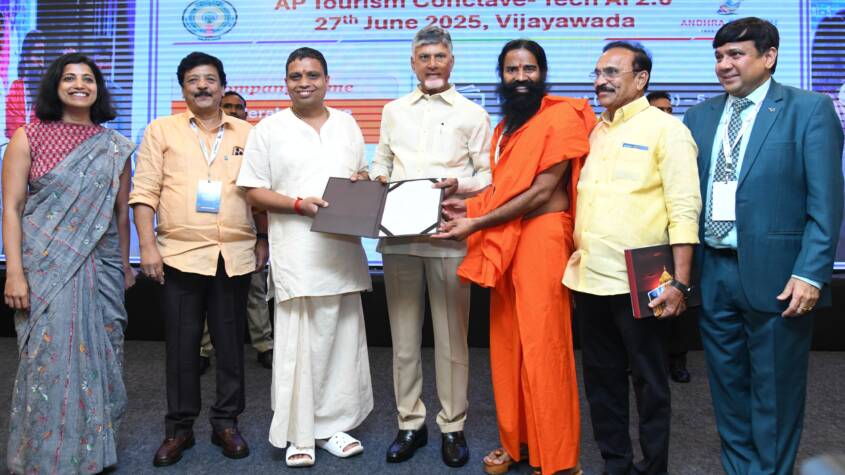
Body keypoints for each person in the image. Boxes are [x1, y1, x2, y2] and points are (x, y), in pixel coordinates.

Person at [683, 17, 844, 475]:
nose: (724, 65)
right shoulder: (699, 117)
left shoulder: (808, 109)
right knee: (726, 388)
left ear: (769, 56)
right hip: (714, 272)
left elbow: (826, 204)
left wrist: (811, 272)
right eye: (718, 56)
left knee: (776, 391)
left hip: (781, 276)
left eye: (736, 54)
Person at [436, 39, 592, 475]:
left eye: (529, 69)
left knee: (544, 349)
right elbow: (503, 190)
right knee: (508, 348)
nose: (520, 77)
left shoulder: (561, 117)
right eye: (511, 70)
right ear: (501, 75)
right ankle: (516, 442)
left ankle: (557, 458)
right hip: (506, 241)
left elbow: (541, 192)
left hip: (541, 240)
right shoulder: (504, 128)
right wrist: (466, 206)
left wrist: (476, 223)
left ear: (543, 72)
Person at [563, 41, 701, 475]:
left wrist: (680, 284)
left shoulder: (667, 130)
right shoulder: (593, 132)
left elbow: (684, 210)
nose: (600, 81)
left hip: (646, 276)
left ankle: (653, 466)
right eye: (597, 73)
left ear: (641, 79)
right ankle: (616, 464)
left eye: (611, 72)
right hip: (590, 276)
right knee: (601, 381)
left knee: (650, 381)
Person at [236, 47, 373, 468]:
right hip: (296, 251)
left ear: (327, 80)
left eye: (312, 74)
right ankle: (299, 432)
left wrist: (362, 181)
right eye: (295, 76)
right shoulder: (268, 129)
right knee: (298, 345)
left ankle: (335, 426)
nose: (304, 82)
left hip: (342, 249)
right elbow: (252, 191)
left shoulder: (347, 124)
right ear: (286, 83)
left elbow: (362, 174)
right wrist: (298, 204)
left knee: (341, 342)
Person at [131, 52, 267, 466]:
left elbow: (259, 193)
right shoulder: (161, 131)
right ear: (183, 88)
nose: (203, 86)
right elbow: (144, 192)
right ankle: (179, 429)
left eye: (210, 79)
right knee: (182, 348)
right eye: (193, 80)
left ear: (223, 86)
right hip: (179, 255)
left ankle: (226, 422)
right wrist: (147, 247)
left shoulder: (249, 133)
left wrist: (263, 237)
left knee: (230, 347)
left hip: (233, 254)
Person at [2, 52, 134, 474]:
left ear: (98, 89)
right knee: (48, 358)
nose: (80, 85)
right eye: (70, 78)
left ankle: (94, 453)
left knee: (102, 356)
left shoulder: (115, 147)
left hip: (101, 269)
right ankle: (44, 458)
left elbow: (120, 213)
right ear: (55, 87)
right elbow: (12, 207)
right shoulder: (28, 137)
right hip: (45, 268)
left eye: (88, 78)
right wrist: (14, 272)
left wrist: (125, 265)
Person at [367, 25, 491, 468]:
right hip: (399, 235)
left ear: (452, 61)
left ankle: (452, 426)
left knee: (452, 339)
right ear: (413, 63)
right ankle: (410, 423)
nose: (432, 64)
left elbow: (488, 175)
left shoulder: (473, 113)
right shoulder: (393, 110)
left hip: (447, 234)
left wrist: (461, 184)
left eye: (440, 56)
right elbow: (381, 160)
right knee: (403, 339)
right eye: (425, 57)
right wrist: (378, 178)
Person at [199, 90, 274, 373]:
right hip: (206, 230)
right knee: (206, 293)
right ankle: (204, 349)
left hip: (245, 230)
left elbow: (261, 196)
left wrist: (262, 237)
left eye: (237, 107)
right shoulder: (201, 139)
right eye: (226, 106)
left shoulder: (253, 141)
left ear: (246, 112)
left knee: (255, 290)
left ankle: (264, 346)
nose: (232, 110)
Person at [646, 90, 692, 384]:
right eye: (659, 109)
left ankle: (678, 361)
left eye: (669, 109)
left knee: (677, 305)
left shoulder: (679, 138)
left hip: (675, 240)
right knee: (650, 307)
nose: (666, 114)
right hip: (647, 244)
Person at [5, 30, 47, 139]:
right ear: (25, 57)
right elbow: (13, 132)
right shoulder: (16, 89)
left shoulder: (45, 93)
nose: (41, 63)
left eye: (43, 57)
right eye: (37, 56)